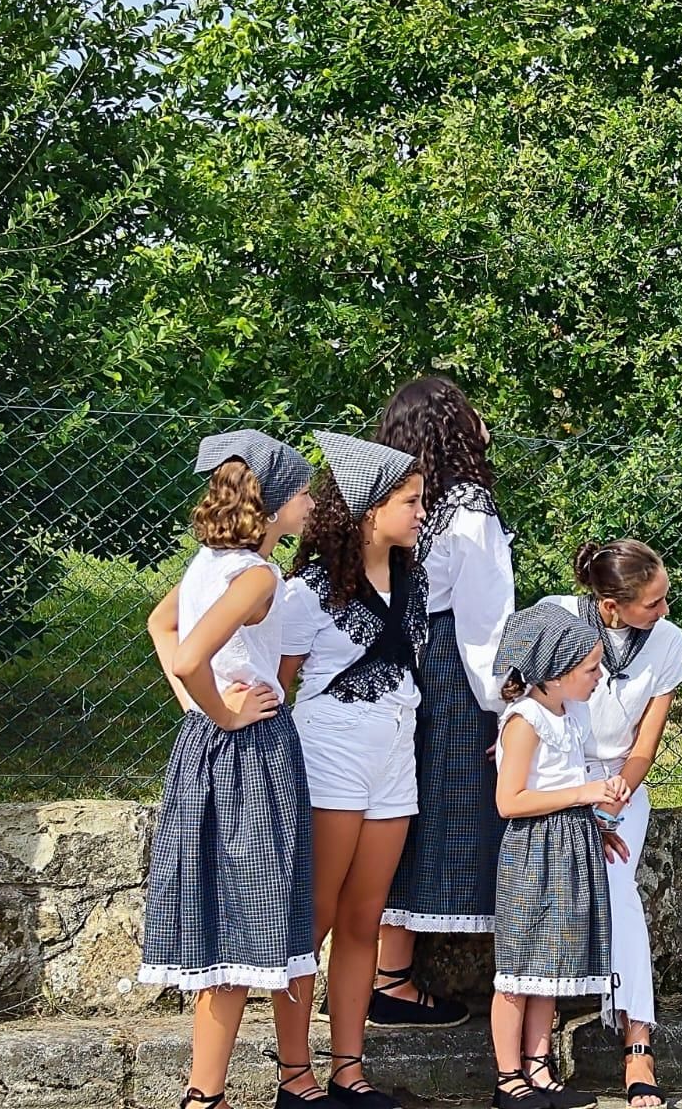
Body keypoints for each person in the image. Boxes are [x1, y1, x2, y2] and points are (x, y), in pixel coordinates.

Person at [140, 431, 321, 1109]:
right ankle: (206, 1096)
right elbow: (187, 657)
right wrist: (224, 712)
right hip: (247, 757)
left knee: (227, 928)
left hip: (205, 753)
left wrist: (197, 708)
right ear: (273, 504)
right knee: (250, 920)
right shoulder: (256, 576)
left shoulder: (204, 566)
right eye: (303, 491)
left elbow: (163, 628)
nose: (310, 502)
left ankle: (205, 1094)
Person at [280, 431, 428, 1109]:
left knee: (365, 916)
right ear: (370, 509)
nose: (421, 512)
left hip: (396, 753)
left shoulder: (413, 579)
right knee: (313, 916)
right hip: (330, 752)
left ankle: (347, 1068)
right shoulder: (307, 591)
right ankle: (294, 1076)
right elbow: (279, 686)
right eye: (410, 501)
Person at [369, 376, 516, 1029]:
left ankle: (385, 974)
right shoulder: (468, 504)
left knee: (401, 817)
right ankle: (397, 983)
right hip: (455, 679)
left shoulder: (391, 498)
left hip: (393, 671)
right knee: (448, 820)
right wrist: (509, 705)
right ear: (457, 425)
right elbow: (488, 619)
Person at [543, 540, 682, 1109]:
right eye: (652, 603)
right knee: (555, 896)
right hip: (556, 776)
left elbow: (645, 742)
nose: (664, 611)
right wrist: (576, 796)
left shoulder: (669, 643)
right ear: (610, 605)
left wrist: (612, 800)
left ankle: (637, 1043)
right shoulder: (558, 617)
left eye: (664, 598)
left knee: (620, 892)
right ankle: (538, 1047)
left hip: (620, 784)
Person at [489, 602, 631, 1109]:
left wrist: (596, 826)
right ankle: (508, 1077)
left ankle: (539, 1066)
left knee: (549, 963)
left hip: (569, 843)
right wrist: (586, 796)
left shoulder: (568, 715)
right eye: (591, 669)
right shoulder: (525, 721)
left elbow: (566, 784)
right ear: (555, 671)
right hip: (533, 851)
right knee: (518, 967)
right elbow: (510, 801)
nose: (598, 677)